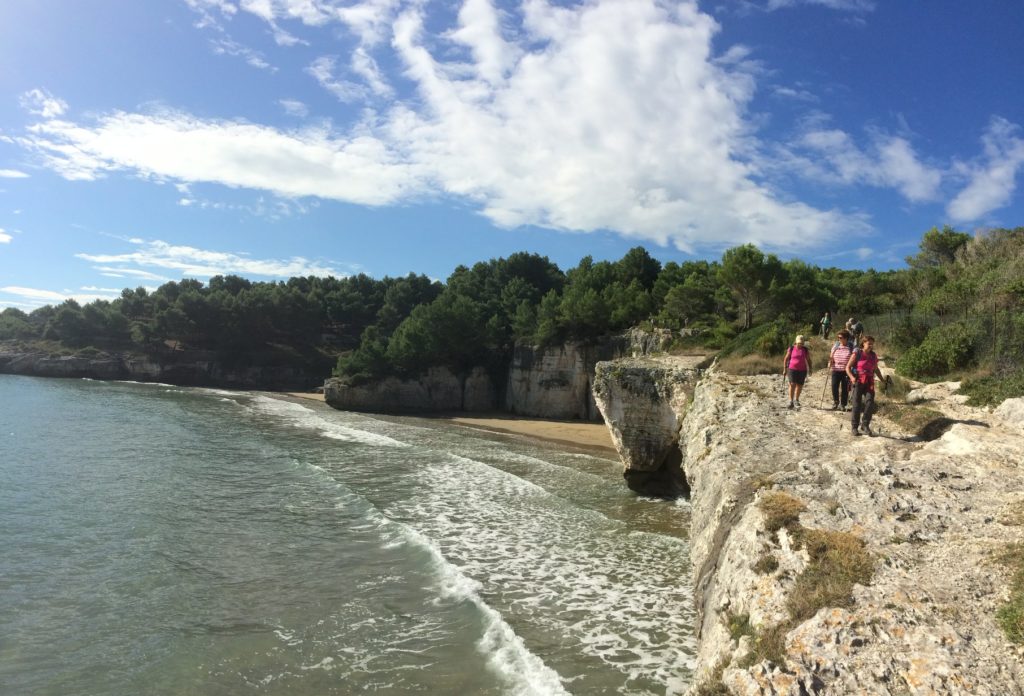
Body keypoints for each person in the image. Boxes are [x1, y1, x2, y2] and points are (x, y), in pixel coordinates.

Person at [846, 334, 884, 436]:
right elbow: (848, 367)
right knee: (856, 404)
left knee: (869, 403)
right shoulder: (857, 353)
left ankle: (865, 425)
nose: (871, 345)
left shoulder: (873, 355)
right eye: (869, 343)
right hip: (858, 381)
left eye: (872, 344)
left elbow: (876, 369)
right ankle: (854, 427)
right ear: (863, 343)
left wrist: (882, 380)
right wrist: (852, 378)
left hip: (869, 382)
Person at [782, 334, 812, 409]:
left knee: (800, 385)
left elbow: (808, 360)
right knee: (792, 384)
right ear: (796, 342)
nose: (800, 345)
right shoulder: (791, 348)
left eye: (801, 343)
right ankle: (791, 401)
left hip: (802, 370)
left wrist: (810, 368)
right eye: (799, 343)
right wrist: (785, 369)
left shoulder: (805, 349)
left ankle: (797, 400)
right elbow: (786, 359)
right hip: (792, 369)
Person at [828, 329, 854, 411]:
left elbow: (854, 357)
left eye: (841, 337)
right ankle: (836, 402)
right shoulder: (836, 345)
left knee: (845, 388)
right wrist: (830, 361)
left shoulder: (850, 347)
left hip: (846, 371)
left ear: (846, 338)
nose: (839, 339)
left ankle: (843, 404)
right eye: (838, 337)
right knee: (834, 387)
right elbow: (831, 356)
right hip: (835, 370)